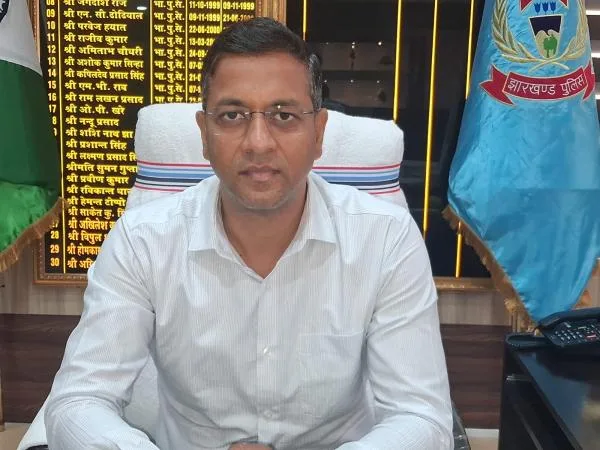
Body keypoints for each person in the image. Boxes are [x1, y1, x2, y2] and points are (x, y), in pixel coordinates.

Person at [45, 17, 453, 450]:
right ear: (205, 134)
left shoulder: (385, 239)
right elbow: (78, 401)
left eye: (284, 115)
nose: (258, 142)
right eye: (232, 115)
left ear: (318, 134)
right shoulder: (142, 241)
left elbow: (421, 416)